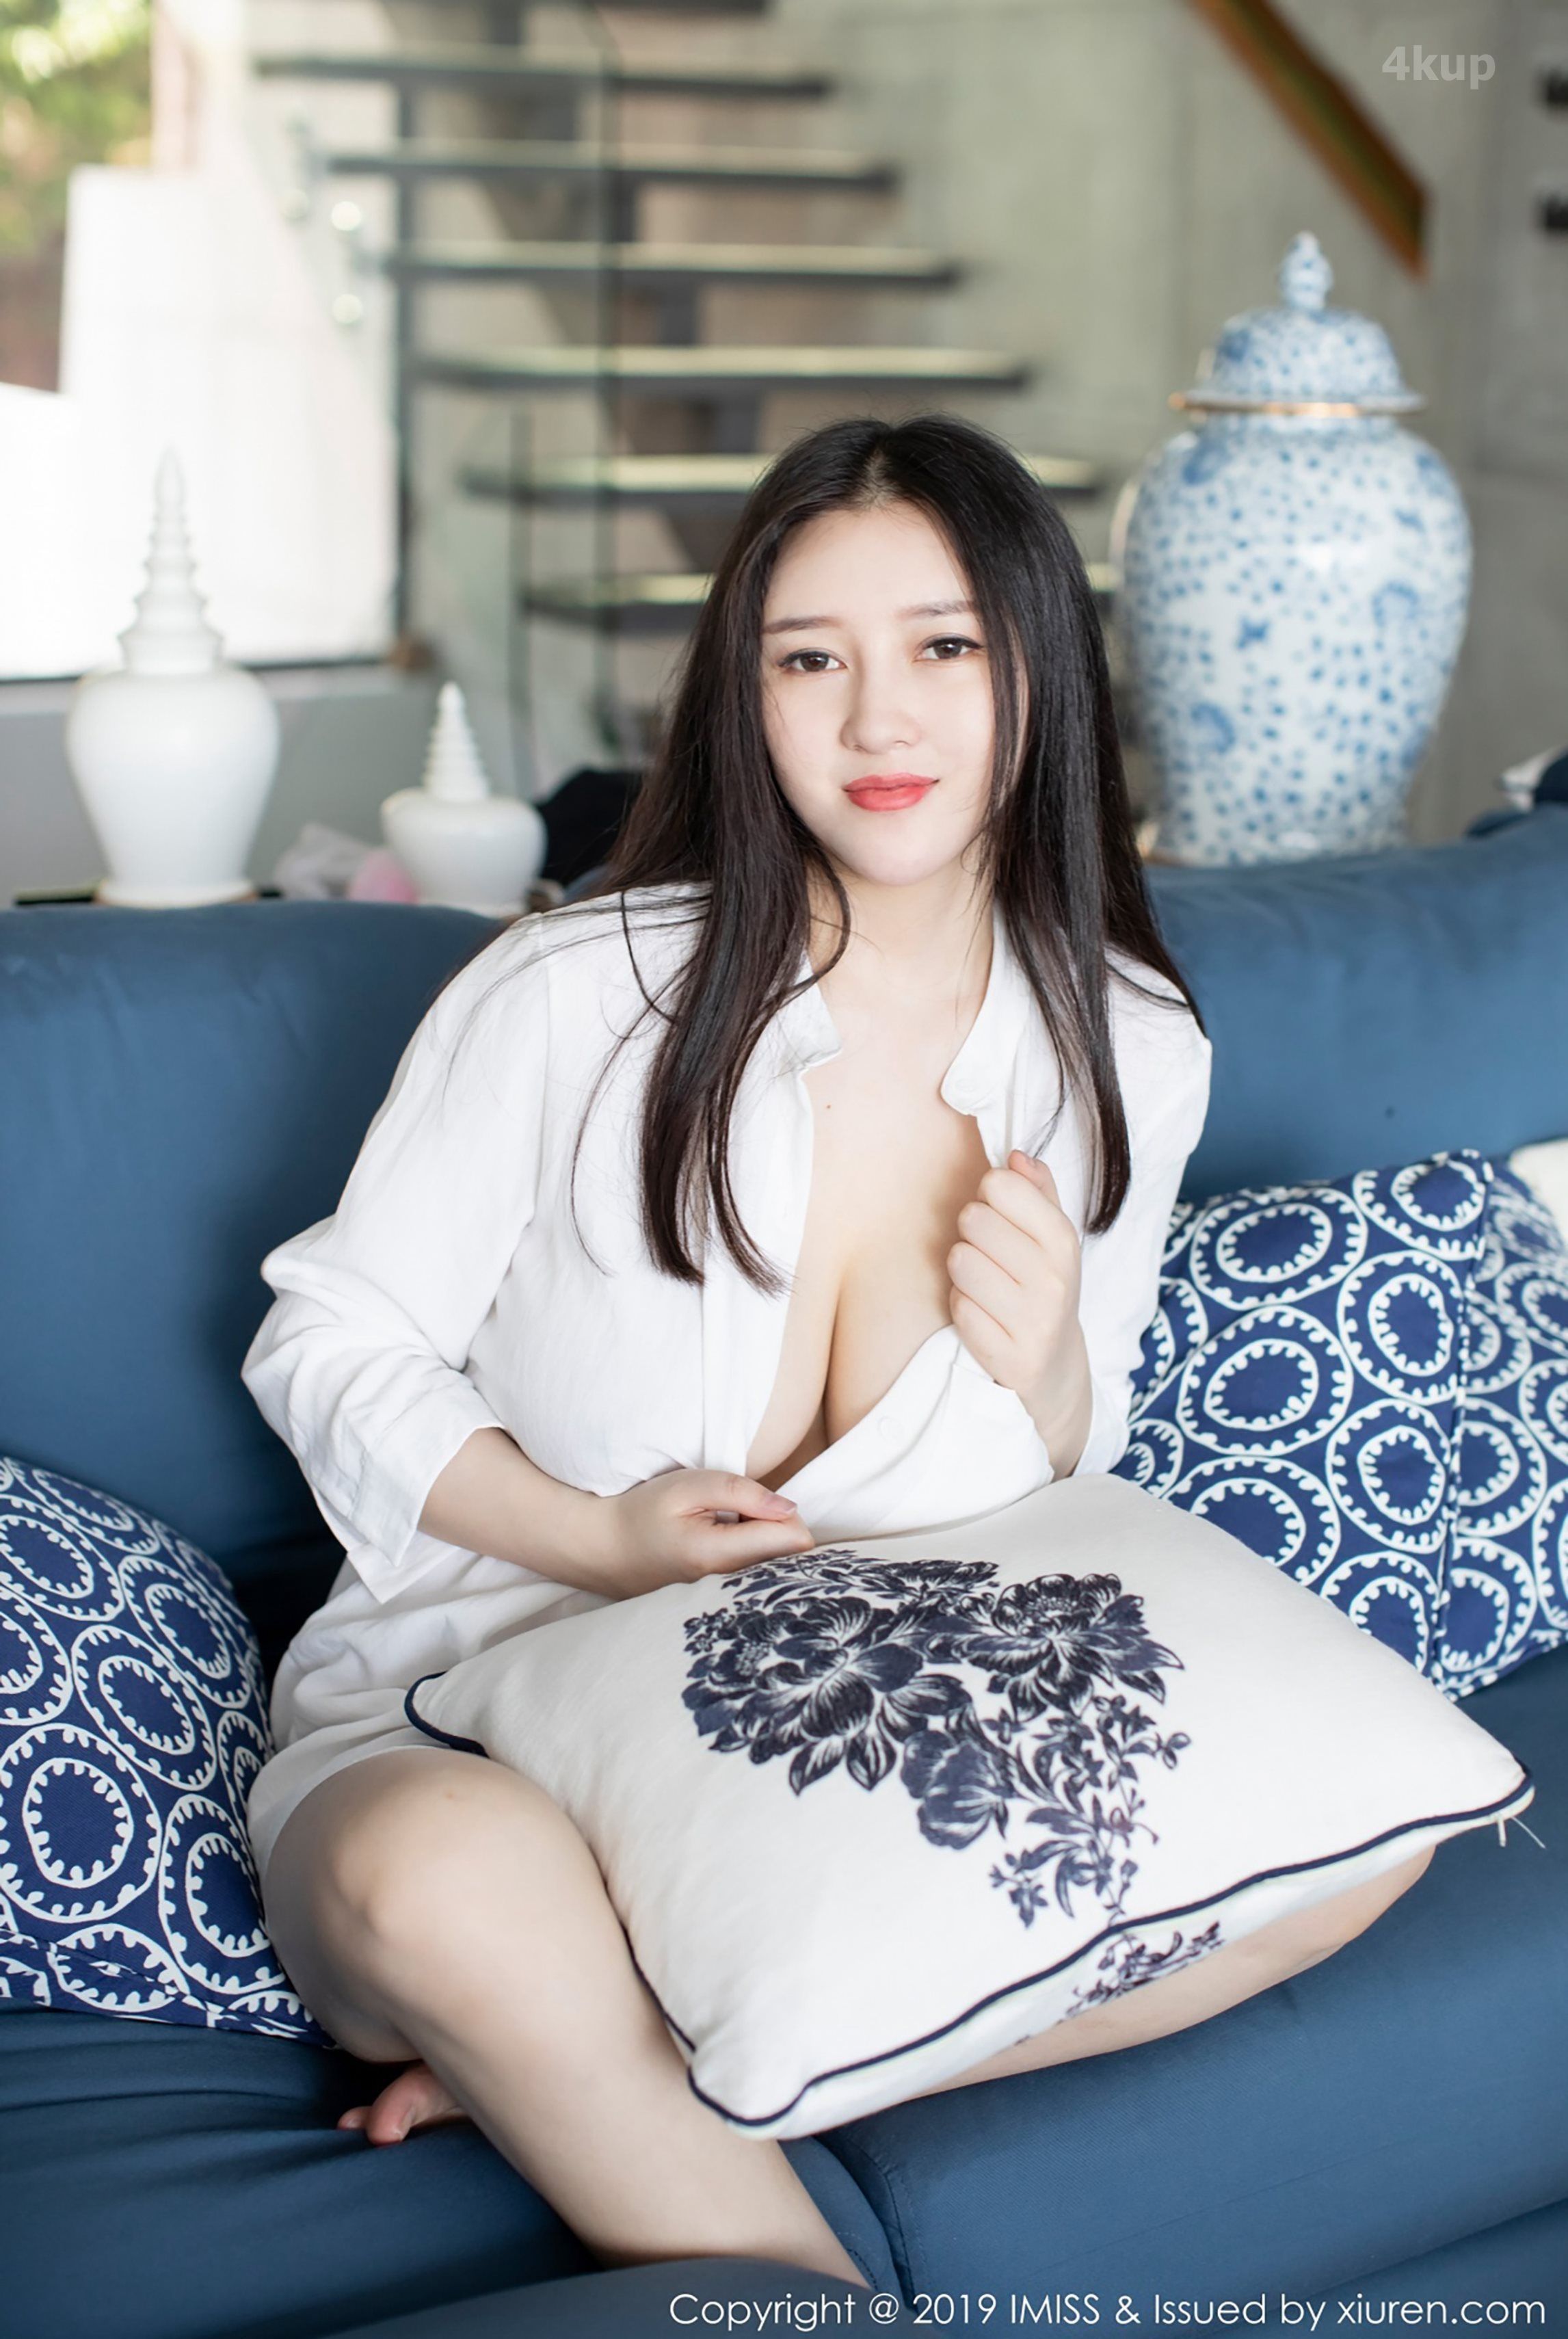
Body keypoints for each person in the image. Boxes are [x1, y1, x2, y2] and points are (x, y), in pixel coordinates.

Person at [242, 414, 1431, 2291]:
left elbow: (1065, 1471)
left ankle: (588, 2057)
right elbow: (328, 1336)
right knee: (444, 1884)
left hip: (825, 1778)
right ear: (749, 694)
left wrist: (1050, 1373)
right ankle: (576, 2026)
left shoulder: (1131, 1046)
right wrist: (591, 1537)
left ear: (1039, 667)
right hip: (476, 1729)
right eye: (811, 658)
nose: (880, 718)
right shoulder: (574, 997)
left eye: (943, 645)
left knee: (1365, 1837)